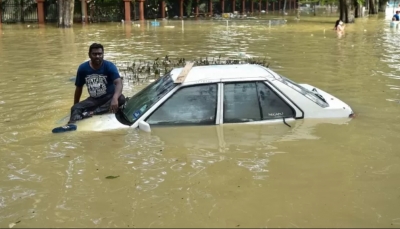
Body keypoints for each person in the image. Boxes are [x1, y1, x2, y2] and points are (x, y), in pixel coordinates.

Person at [52, 43, 125, 133]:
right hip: (93, 99)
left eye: (100, 54)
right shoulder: (83, 68)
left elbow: (119, 83)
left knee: (121, 98)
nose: (97, 56)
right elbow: (79, 88)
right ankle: (71, 125)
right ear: (89, 55)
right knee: (75, 108)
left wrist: (114, 98)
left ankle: (91, 113)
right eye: (94, 54)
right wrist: (76, 105)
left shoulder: (109, 66)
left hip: (108, 98)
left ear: (103, 54)